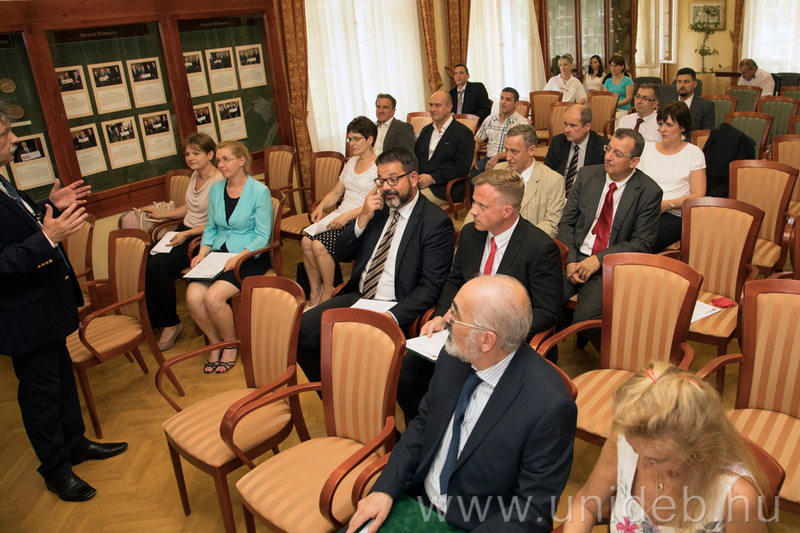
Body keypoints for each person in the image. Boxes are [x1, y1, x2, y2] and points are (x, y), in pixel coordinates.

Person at [346, 275, 577, 533]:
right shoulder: (454, 355)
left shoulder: (550, 407)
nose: (446, 319)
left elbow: (532, 511)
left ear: (486, 340)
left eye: (455, 315)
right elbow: (423, 425)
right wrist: (385, 489)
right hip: (417, 499)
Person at [0, 101, 127, 502]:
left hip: (44, 308)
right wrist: (48, 238)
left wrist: (49, 205)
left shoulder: (2, 180)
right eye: (5, 134)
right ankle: (56, 470)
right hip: (23, 317)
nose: (15, 139)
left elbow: (17, 226)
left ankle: (74, 443)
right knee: (39, 396)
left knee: (61, 379)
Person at [398, 170, 563, 420]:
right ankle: (427, 436)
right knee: (404, 375)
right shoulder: (470, 234)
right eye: (474, 202)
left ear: (507, 211)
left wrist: (492, 330)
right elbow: (455, 281)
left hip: (503, 343)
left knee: (460, 390)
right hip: (461, 334)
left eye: (482, 206)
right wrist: (442, 315)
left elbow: (548, 312)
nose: (472, 211)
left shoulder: (540, 248)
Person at [296, 147, 455, 385]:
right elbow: (341, 253)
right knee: (299, 332)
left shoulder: (435, 223)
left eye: (393, 180)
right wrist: (362, 217)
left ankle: (366, 399)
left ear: (413, 178)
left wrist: (392, 316)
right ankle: (336, 396)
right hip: (358, 296)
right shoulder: (378, 210)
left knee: (355, 349)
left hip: (395, 304)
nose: (386, 188)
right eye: (381, 181)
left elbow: (431, 286)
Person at [563, 362, 770, 533]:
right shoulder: (625, 440)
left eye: (657, 459)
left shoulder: (736, 498)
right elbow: (585, 506)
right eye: (636, 451)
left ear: (698, 447)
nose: (640, 464)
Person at [558, 129, 662, 336]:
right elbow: (567, 223)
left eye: (618, 154)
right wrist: (570, 261)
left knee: (585, 323)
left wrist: (599, 260)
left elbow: (642, 243)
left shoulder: (649, 192)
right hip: (575, 257)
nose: (608, 157)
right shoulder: (587, 176)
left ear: (634, 161)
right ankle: (549, 348)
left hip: (609, 266)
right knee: (538, 302)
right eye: (608, 149)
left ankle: (607, 348)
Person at [186, 141, 272, 374]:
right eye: (218, 160)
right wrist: (202, 253)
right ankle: (216, 343)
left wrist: (239, 257)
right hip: (219, 254)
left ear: (241, 160)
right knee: (193, 297)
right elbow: (211, 227)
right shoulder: (216, 189)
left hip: (249, 256)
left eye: (226, 159)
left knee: (213, 297)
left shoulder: (259, 191)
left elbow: (262, 236)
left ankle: (231, 344)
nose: (220, 164)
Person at [143, 133, 223, 351]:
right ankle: (158, 320)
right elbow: (190, 208)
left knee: (157, 266)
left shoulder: (219, 181)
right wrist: (161, 215)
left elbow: (215, 222)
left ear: (210, 154)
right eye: (187, 154)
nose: (190, 158)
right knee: (145, 258)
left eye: (196, 153)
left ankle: (171, 324)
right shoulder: (195, 175)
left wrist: (187, 235)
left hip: (202, 238)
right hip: (185, 231)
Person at [301, 116, 377, 308]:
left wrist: (347, 216)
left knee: (318, 245)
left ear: (370, 139)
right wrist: (321, 206)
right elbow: (336, 192)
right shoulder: (350, 163)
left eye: (356, 139)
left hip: (361, 218)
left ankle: (328, 290)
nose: (352, 143)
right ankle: (315, 289)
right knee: (305, 241)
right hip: (341, 213)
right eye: (350, 139)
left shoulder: (379, 166)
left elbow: (375, 202)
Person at [464, 124, 564, 238]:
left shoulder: (553, 180)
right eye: (506, 150)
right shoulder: (498, 170)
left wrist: (512, 239)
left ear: (531, 150)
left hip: (529, 243)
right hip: (492, 239)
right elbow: (478, 205)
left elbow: (551, 225)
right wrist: (466, 233)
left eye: (514, 151)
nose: (508, 157)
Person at [636, 101, 707, 252]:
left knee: (643, 240)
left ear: (682, 127)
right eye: (661, 124)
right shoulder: (647, 149)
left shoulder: (693, 153)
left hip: (674, 214)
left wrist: (667, 205)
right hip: (645, 210)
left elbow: (698, 194)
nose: (663, 129)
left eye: (669, 125)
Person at [415, 90, 475, 206]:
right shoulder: (426, 130)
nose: (433, 109)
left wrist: (432, 178)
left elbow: (462, 168)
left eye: (437, 105)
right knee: (396, 195)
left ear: (449, 107)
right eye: (431, 105)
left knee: (414, 203)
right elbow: (416, 158)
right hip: (420, 183)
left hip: (445, 188)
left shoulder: (463, 133)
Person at [544, 104, 609, 195]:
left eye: (573, 125)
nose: (567, 130)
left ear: (587, 127)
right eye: (565, 124)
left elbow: (603, 182)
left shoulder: (602, 146)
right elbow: (546, 173)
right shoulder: (558, 142)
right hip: (558, 192)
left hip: (586, 194)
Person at [470, 86, 526, 179]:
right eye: (502, 98)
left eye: (508, 99)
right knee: (473, 173)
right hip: (489, 160)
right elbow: (476, 141)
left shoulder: (520, 123)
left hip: (509, 161)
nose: (503, 102)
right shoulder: (490, 119)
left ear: (516, 104)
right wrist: (472, 156)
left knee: (498, 179)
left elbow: (519, 149)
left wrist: (497, 157)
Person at [676, 67, 716, 132]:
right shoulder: (666, 103)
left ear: (694, 84)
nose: (682, 85)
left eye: (686, 82)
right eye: (679, 82)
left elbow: (706, 134)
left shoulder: (706, 106)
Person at [603, 54, 634, 120]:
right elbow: (605, 97)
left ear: (622, 67)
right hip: (610, 109)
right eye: (612, 66)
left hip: (623, 109)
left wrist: (615, 104)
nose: (613, 68)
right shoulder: (607, 81)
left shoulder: (628, 80)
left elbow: (628, 99)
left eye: (616, 66)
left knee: (614, 118)